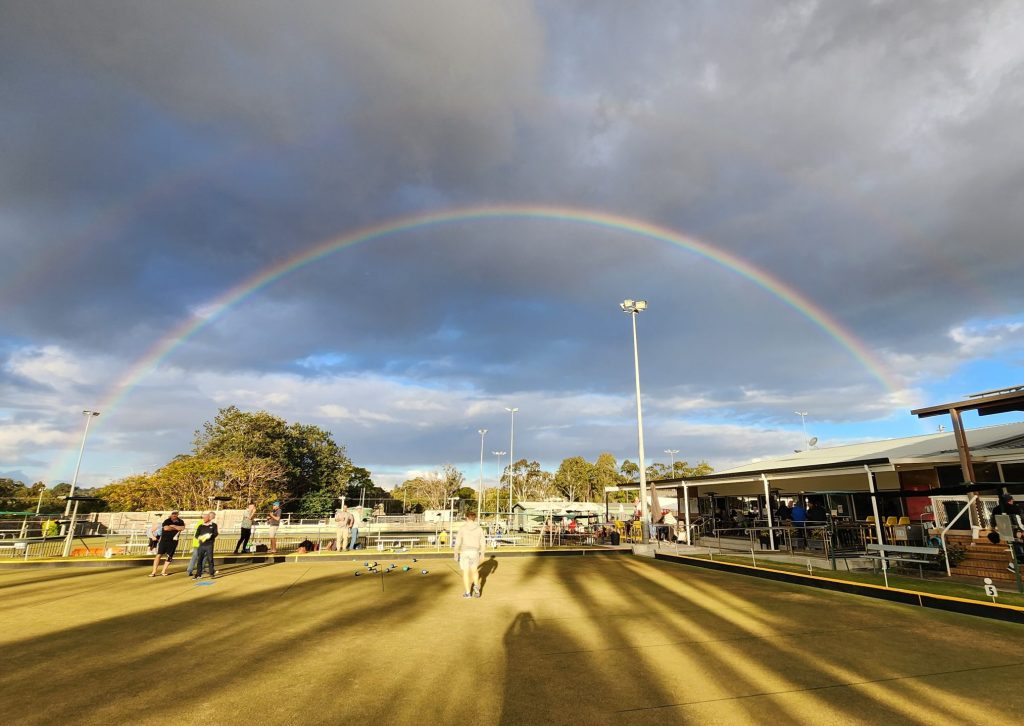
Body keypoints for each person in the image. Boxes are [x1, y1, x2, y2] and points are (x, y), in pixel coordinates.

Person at [454, 512, 486, 598]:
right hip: (475, 552)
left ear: (467, 518)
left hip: (465, 552)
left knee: (465, 572)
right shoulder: (479, 528)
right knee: (474, 570)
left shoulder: (462, 528)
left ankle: (468, 593)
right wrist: (482, 554)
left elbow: (457, 542)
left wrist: (456, 554)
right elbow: (483, 542)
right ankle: (476, 587)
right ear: (474, 518)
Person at [991, 494, 1024, 572]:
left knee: (1013, 547)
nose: (1013, 501)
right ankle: (1016, 563)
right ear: (1008, 501)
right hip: (1016, 532)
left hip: (1006, 533)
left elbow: (993, 523)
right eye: (1011, 500)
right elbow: (1018, 521)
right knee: (1018, 547)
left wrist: (996, 530)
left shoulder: (996, 509)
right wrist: (1022, 530)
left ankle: (1013, 564)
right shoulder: (1014, 508)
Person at [150, 510, 185, 577]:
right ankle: (154, 572)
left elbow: (182, 528)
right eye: (173, 514)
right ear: (171, 515)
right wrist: (176, 528)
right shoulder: (167, 521)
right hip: (164, 541)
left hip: (173, 541)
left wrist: (173, 526)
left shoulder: (181, 521)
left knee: (169, 556)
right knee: (159, 555)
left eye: (175, 514)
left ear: (177, 515)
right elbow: (166, 528)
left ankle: (163, 571)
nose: (174, 515)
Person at [191, 511, 218, 579]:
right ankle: (198, 574)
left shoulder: (214, 525)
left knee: (210, 559)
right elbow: (196, 535)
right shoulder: (201, 526)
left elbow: (216, 533)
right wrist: (200, 537)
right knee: (199, 559)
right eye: (203, 518)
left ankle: (212, 573)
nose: (204, 519)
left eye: (205, 518)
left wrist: (210, 536)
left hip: (209, 545)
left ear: (209, 518)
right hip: (201, 545)